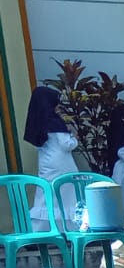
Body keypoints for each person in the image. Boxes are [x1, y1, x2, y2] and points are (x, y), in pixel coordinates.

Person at [24, 86, 80, 228]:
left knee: (45, 195)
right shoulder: (55, 121)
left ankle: (39, 229)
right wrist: (74, 137)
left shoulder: (37, 120)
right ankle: (67, 228)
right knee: (66, 198)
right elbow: (66, 145)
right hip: (62, 163)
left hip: (45, 162)